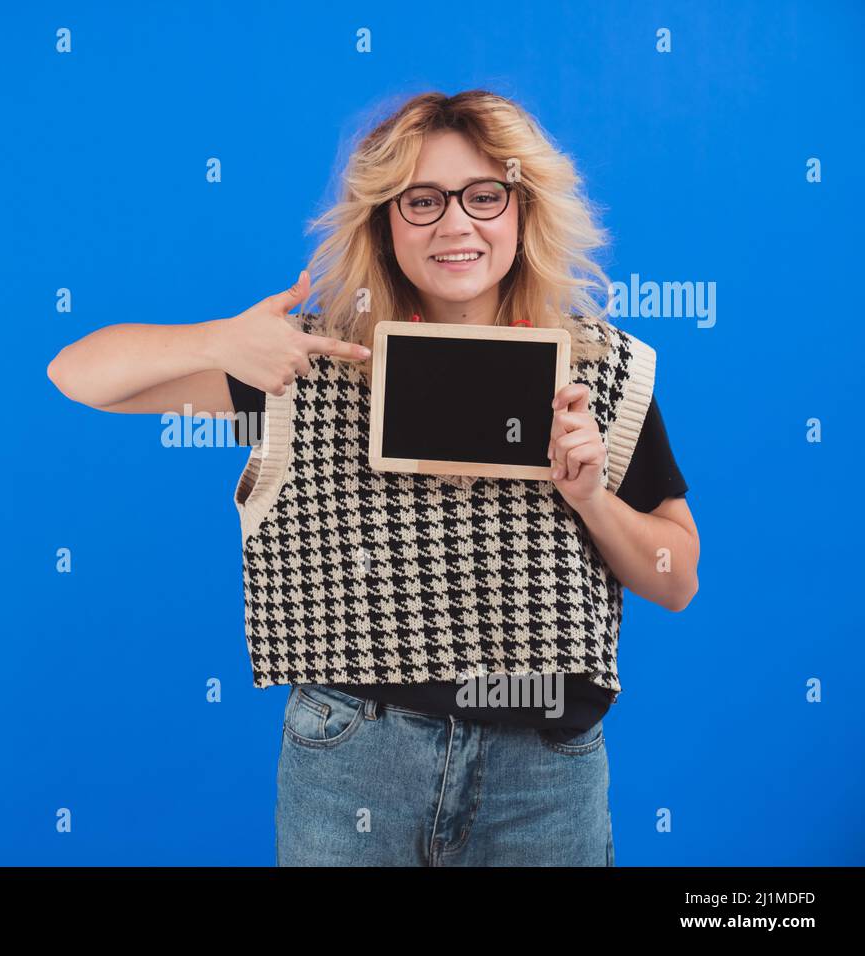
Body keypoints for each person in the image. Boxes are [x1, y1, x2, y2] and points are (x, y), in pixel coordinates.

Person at [46, 89, 700, 866]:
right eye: (422, 200)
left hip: (545, 777)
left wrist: (591, 498)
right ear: (386, 223)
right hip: (354, 759)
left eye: (485, 196)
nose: (456, 223)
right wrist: (221, 341)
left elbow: (676, 579)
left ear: (524, 212)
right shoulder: (307, 364)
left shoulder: (605, 372)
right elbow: (78, 375)